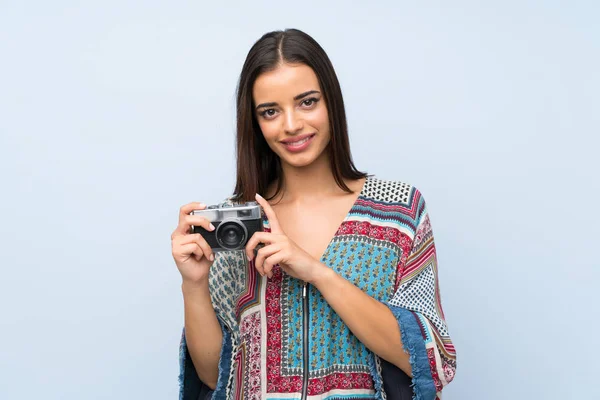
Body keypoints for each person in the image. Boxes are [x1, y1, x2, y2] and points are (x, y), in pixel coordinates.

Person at [171, 28, 456, 400]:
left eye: (307, 102)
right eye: (270, 111)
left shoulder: (398, 210)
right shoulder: (234, 224)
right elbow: (215, 376)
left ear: (330, 103)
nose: (291, 125)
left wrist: (316, 272)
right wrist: (192, 284)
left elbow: (430, 362)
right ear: (255, 123)